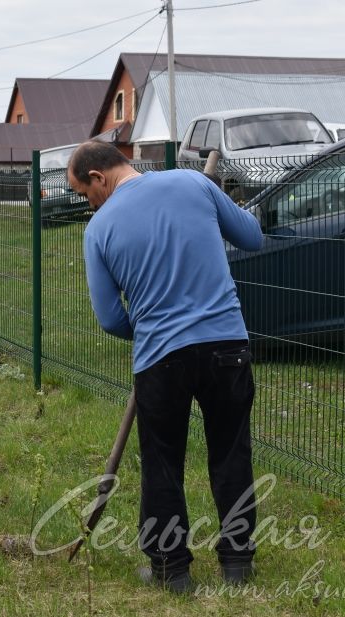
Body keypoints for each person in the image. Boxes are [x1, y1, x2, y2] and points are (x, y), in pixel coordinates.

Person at [67, 141, 264, 593]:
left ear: (99, 178)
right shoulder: (194, 183)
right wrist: (218, 202)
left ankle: (171, 571)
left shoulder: (99, 230)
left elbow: (110, 319)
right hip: (226, 347)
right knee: (231, 451)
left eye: (84, 193)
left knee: (162, 462)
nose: (88, 203)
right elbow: (252, 236)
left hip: (162, 357)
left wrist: (158, 324)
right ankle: (237, 564)